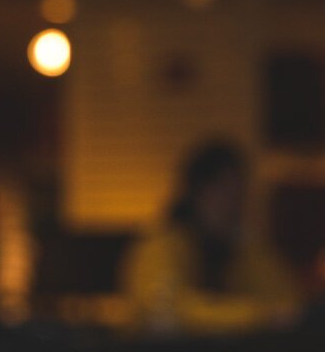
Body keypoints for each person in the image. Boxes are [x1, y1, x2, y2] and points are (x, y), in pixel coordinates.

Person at [122, 138, 302, 335]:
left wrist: (250, 245)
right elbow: (165, 311)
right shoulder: (161, 246)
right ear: (195, 193)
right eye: (223, 191)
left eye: (240, 194)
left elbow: (287, 307)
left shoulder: (236, 249)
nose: (233, 205)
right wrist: (256, 317)